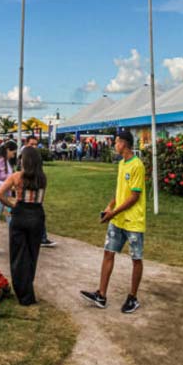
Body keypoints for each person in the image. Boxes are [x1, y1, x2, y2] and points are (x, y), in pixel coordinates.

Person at [80, 129, 145, 314]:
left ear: (124, 143)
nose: (115, 145)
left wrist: (113, 212)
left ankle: (133, 297)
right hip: (117, 220)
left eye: (116, 142)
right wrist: (110, 207)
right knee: (108, 253)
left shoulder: (137, 165)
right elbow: (120, 191)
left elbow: (134, 196)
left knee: (136, 258)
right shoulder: (122, 164)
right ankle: (101, 294)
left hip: (133, 221)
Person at [0, 146, 46, 306]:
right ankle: (28, 286)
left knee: (18, 255)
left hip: (20, 214)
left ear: (23, 161)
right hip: (37, 215)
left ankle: (23, 293)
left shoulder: (16, 177)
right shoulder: (42, 178)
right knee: (32, 254)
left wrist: (11, 205)